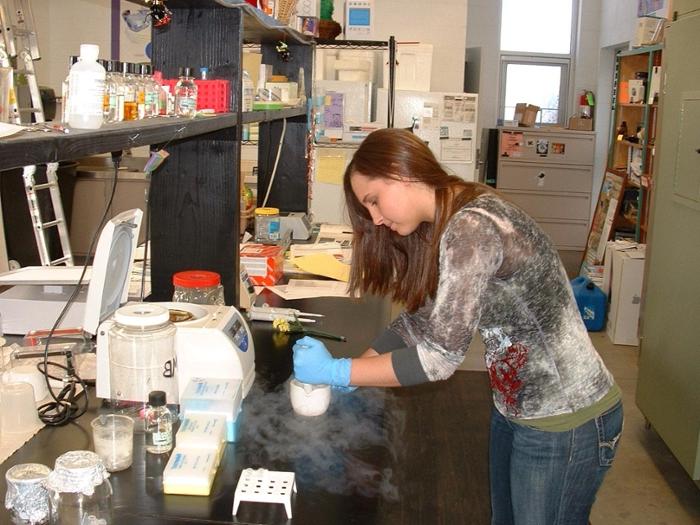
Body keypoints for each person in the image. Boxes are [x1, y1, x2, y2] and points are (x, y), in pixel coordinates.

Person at [292, 128, 623, 525]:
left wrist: (337, 371)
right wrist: (354, 374)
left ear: (402, 172)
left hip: (567, 418)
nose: (376, 219)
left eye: (374, 201)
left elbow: (438, 360)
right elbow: (422, 319)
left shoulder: (471, 227)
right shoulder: (449, 216)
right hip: (516, 408)